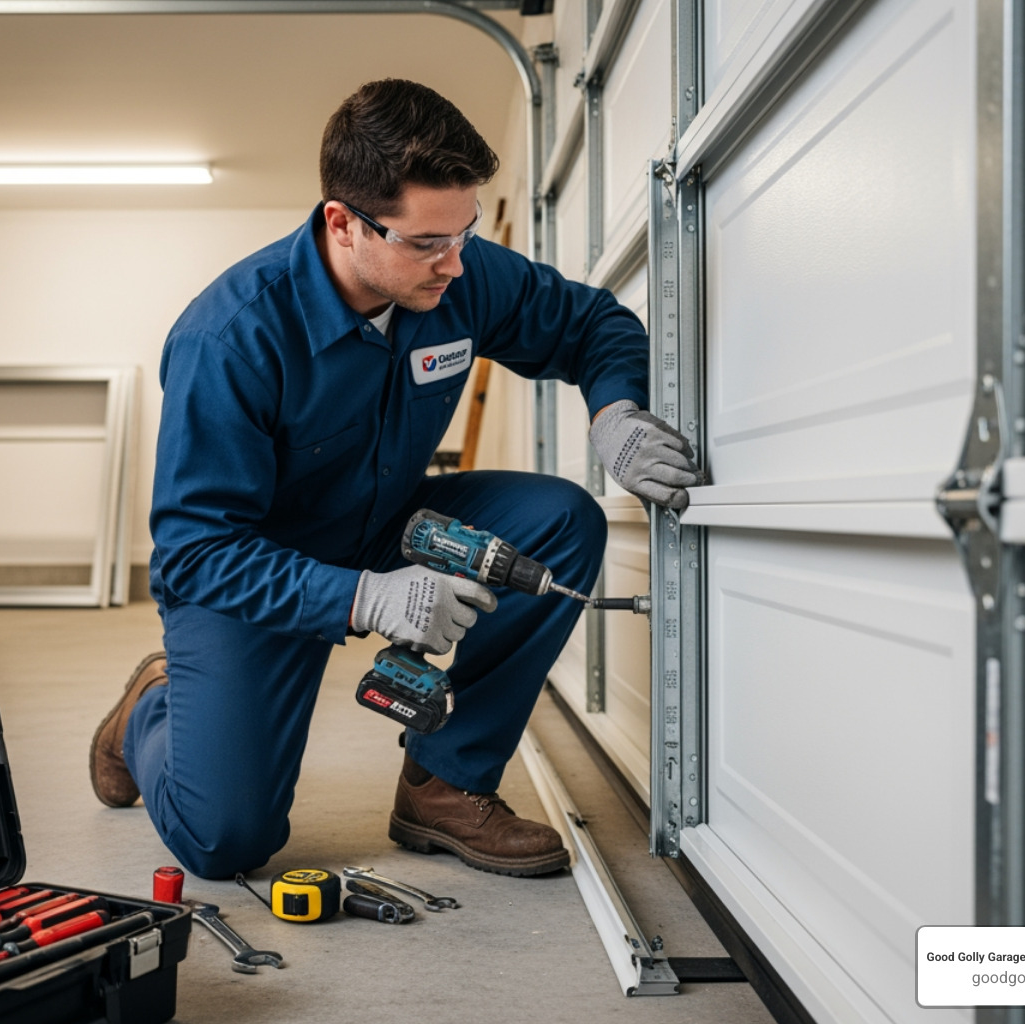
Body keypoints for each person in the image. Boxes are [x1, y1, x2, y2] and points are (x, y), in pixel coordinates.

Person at [89, 79, 703, 879]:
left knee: (561, 520)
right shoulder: (231, 338)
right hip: (253, 570)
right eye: (425, 242)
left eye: (464, 233)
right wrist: (364, 597)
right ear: (342, 223)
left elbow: (590, 324)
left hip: (384, 521)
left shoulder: (458, 273)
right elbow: (197, 551)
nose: (454, 262)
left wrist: (615, 411)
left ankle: (445, 783)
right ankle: (150, 709)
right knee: (226, 840)